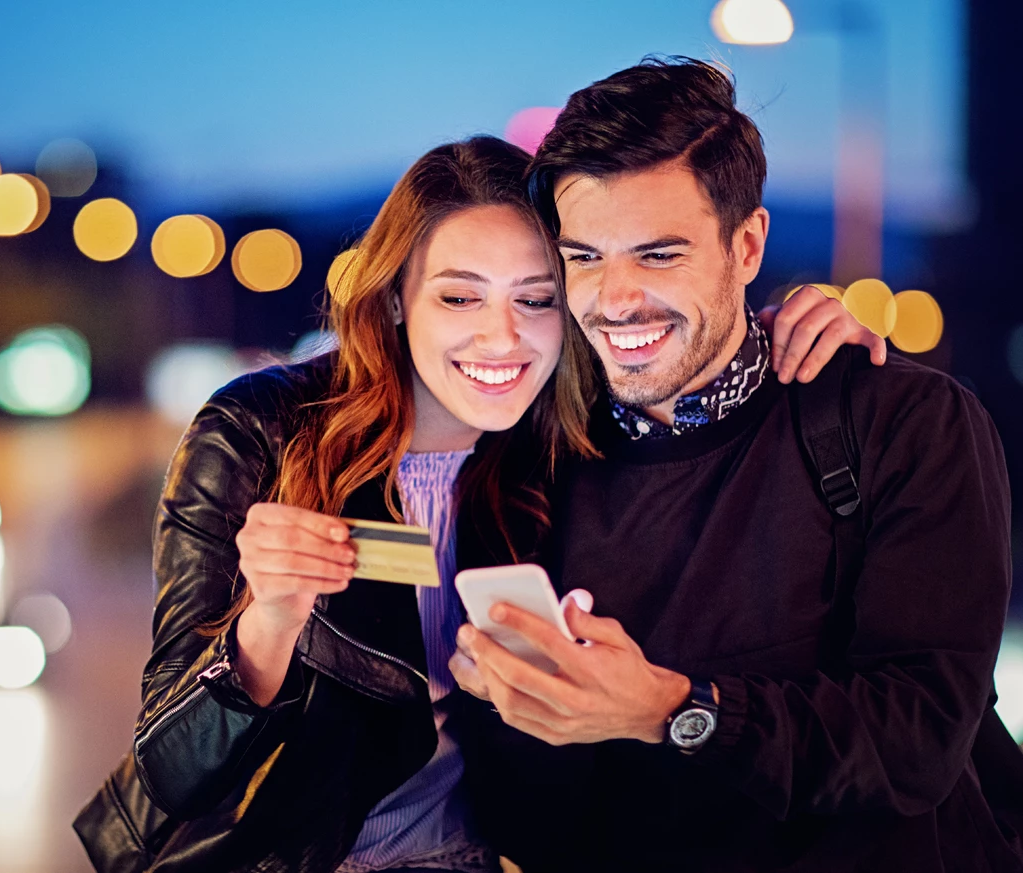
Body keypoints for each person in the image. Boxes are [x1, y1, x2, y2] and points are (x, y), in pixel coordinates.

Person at [74, 136, 880, 873]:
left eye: (535, 299)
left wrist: (787, 325)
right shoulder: (260, 433)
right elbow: (168, 771)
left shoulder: (564, 444)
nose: (501, 339)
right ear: (394, 298)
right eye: (459, 298)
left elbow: (692, 367)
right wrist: (269, 622)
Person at [450, 57, 1019, 872]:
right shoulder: (529, 468)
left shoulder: (898, 422)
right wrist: (519, 712)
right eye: (583, 257)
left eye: (656, 255)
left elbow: (917, 738)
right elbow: (535, 826)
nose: (612, 300)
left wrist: (672, 709)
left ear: (746, 245)